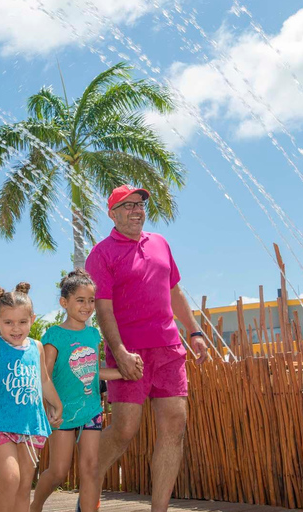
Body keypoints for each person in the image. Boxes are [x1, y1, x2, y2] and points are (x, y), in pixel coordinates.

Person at [85, 184, 208, 512]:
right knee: (125, 430)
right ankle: (90, 481)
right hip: (129, 353)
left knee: (175, 425)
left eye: (139, 204)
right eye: (127, 206)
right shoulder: (101, 254)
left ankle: (159, 510)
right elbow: (103, 309)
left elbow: (175, 293)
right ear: (112, 214)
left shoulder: (161, 244)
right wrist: (120, 351)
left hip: (168, 349)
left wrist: (194, 331)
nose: (136, 210)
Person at [30, 269, 126, 512]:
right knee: (59, 471)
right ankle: (35, 506)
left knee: (91, 467)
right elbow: (45, 376)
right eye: (80, 300)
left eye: (91, 300)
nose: (87, 306)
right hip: (62, 414)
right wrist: (49, 406)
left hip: (91, 409)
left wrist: (125, 372)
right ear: (64, 302)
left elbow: (94, 371)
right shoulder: (54, 335)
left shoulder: (93, 334)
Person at [0, 283, 63, 512]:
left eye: (22, 322)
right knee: (10, 479)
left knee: (24, 486)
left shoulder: (37, 347)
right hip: (0, 424)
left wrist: (57, 404)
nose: (16, 328)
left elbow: (43, 380)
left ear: (32, 319)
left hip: (31, 425)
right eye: (8, 322)